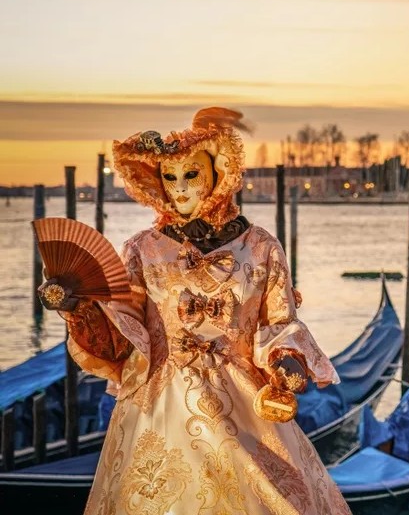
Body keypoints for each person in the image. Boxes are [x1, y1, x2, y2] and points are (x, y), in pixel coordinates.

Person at [38, 108, 351, 515]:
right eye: (170, 177)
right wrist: (78, 307)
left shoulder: (260, 247)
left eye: (191, 174)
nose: (180, 188)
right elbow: (122, 335)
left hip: (243, 403)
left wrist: (285, 357)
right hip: (160, 405)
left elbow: (279, 321)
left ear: (218, 174)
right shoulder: (141, 250)